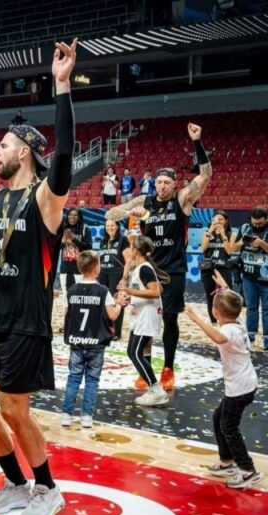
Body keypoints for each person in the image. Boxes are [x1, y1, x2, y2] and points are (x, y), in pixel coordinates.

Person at [0, 38, 79, 515]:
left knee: (15, 407)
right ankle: (14, 481)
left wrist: (61, 84)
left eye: (3, 145)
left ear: (23, 151)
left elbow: (65, 152)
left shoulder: (46, 198)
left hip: (25, 322)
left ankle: (48, 488)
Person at [106, 123, 213, 391]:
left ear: (175, 184)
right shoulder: (145, 202)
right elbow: (113, 213)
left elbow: (206, 175)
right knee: (145, 322)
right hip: (147, 271)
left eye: (167, 182)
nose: (162, 186)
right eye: (159, 181)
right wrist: (120, 213)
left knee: (169, 320)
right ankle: (147, 369)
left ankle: (168, 369)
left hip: (173, 271)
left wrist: (197, 143)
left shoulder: (183, 200)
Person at [184, 275, 263, 489]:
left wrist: (197, 319)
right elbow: (233, 303)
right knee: (219, 417)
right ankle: (227, 461)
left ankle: (247, 470)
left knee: (229, 426)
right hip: (245, 383)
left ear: (215, 312)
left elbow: (218, 338)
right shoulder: (238, 321)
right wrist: (225, 287)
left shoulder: (226, 330)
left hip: (239, 388)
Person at [60, 251, 125, 427]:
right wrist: (119, 304)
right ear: (97, 268)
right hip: (96, 343)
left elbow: (67, 315)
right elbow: (112, 315)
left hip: (76, 341)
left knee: (73, 378)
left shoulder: (71, 290)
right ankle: (87, 416)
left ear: (80, 268)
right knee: (92, 380)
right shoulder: (103, 291)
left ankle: (66, 413)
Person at [120, 236, 167, 406]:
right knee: (132, 352)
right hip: (141, 316)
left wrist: (129, 291)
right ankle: (153, 388)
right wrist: (130, 298)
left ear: (135, 250)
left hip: (147, 317)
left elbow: (155, 292)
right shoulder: (142, 268)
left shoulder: (144, 269)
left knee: (136, 353)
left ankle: (156, 389)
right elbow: (158, 287)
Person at [229, 207, 268, 346]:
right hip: (248, 275)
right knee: (251, 307)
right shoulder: (245, 228)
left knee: (267, 309)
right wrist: (243, 242)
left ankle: (267, 340)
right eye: (255, 223)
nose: (257, 225)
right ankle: (250, 338)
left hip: (266, 277)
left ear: (266, 220)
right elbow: (233, 248)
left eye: (260, 223)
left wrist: (262, 243)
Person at [98, 219, 130, 339]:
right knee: (103, 301)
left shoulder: (123, 240)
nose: (109, 228)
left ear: (117, 226)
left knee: (116, 300)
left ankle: (116, 332)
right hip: (103, 274)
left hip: (116, 274)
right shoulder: (103, 241)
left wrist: (125, 278)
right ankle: (105, 329)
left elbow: (128, 261)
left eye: (112, 225)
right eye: (107, 226)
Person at [200, 212, 235, 321]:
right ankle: (213, 321)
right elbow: (203, 248)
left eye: (221, 219)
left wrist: (223, 235)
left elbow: (229, 251)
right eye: (215, 219)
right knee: (210, 296)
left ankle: (226, 319)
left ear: (226, 221)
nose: (218, 222)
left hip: (224, 268)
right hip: (208, 268)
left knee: (226, 295)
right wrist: (210, 231)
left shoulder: (231, 234)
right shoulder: (207, 233)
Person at [59, 208, 91, 294]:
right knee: (65, 294)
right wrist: (62, 241)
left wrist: (73, 239)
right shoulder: (63, 229)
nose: (72, 217)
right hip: (65, 267)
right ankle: (66, 308)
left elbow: (88, 247)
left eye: (75, 215)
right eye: (70, 214)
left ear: (79, 217)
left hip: (79, 267)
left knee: (79, 293)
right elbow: (57, 247)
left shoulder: (85, 229)